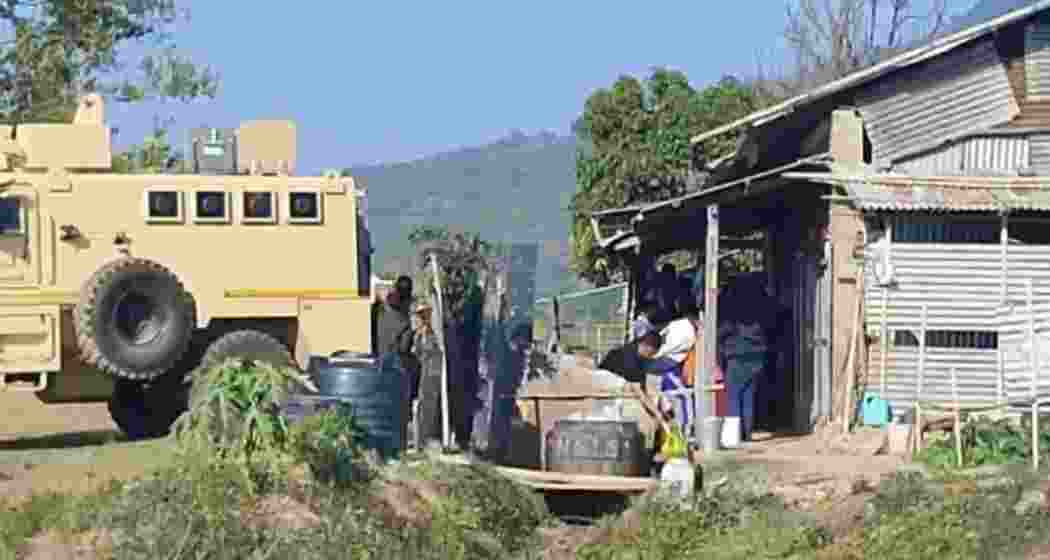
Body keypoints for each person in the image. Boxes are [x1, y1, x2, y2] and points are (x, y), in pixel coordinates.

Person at [375, 275, 420, 436]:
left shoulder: (381, 309)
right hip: (396, 364)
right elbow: (404, 347)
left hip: (379, 361)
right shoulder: (404, 320)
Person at [646, 304, 701, 429]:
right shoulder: (684, 330)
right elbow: (664, 350)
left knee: (670, 398)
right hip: (666, 365)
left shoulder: (677, 326)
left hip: (664, 365)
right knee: (682, 396)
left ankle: (680, 427)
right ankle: (686, 428)